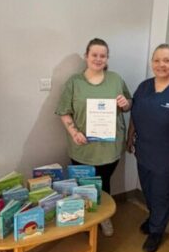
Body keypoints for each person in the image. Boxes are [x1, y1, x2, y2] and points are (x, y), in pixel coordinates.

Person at [56, 38, 132, 236]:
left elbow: (128, 104)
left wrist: (125, 103)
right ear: (86, 56)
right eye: (94, 55)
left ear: (107, 58)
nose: (98, 59)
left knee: (104, 184)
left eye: (103, 56)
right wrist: (74, 132)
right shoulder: (74, 82)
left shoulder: (115, 79)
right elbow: (64, 111)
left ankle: (103, 217)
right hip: (83, 146)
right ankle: (83, 219)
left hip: (109, 147)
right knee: (83, 185)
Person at [127, 44, 169, 252]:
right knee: (148, 189)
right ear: (151, 63)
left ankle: (157, 231)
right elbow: (135, 115)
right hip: (144, 150)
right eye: (157, 60)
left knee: (163, 194)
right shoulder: (144, 87)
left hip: (168, 154)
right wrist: (130, 138)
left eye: (166, 60)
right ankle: (154, 217)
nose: (161, 65)